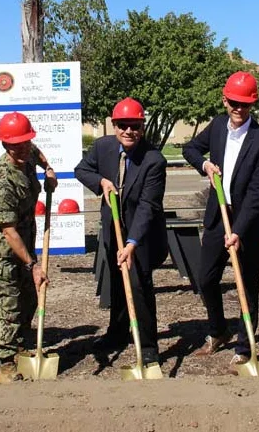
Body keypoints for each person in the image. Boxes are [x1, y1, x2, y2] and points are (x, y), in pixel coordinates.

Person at [182, 71, 259, 371]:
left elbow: (257, 193)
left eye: (245, 104)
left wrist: (237, 231)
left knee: (247, 286)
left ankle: (244, 345)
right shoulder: (217, 127)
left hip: (248, 222)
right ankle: (218, 330)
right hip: (217, 215)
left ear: (253, 105)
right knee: (206, 278)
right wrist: (205, 164)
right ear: (225, 101)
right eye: (234, 103)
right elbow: (190, 149)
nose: (238, 109)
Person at [74, 97, 168, 365]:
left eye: (135, 125)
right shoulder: (103, 146)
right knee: (116, 283)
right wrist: (101, 181)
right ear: (114, 125)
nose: (129, 131)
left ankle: (148, 345)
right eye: (123, 125)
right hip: (111, 229)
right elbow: (81, 170)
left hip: (142, 234)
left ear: (142, 126)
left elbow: (148, 206)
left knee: (138, 286)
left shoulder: (154, 160)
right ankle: (117, 333)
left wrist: (131, 243)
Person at [0, 112, 57, 383]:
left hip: (23, 234)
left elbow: (39, 154)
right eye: (14, 144)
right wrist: (32, 265)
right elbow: (7, 231)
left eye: (24, 142)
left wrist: (49, 170)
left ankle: (20, 346)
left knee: (28, 297)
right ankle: (5, 361)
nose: (21, 148)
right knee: (6, 300)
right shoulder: (0, 182)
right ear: (4, 145)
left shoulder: (29, 151)